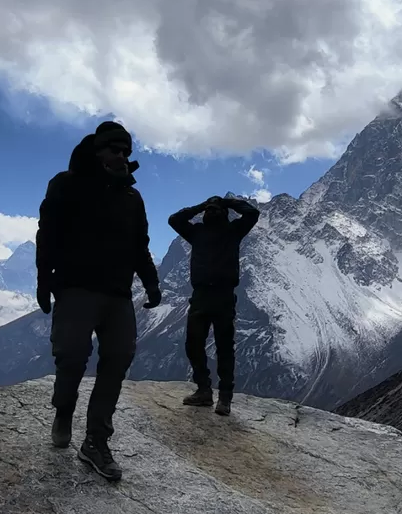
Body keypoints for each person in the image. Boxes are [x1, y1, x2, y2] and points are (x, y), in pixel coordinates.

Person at [35, 120, 162, 482]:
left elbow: (140, 246)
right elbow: (48, 235)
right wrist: (45, 282)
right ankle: (63, 412)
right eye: (113, 149)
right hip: (75, 288)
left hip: (117, 294)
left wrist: (151, 285)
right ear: (97, 149)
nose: (120, 156)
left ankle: (96, 441)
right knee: (72, 357)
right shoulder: (66, 185)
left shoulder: (131, 197)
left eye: (126, 151)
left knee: (118, 358)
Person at [167, 194, 259, 416]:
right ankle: (204, 390)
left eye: (215, 209)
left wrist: (227, 202)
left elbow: (252, 213)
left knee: (224, 346)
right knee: (193, 343)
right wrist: (202, 204)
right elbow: (174, 220)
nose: (211, 211)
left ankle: (224, 397)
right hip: (201, 295)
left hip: (222, 295)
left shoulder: (233, 231)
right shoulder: (197, 233)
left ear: (224, 213)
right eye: (208, 209)